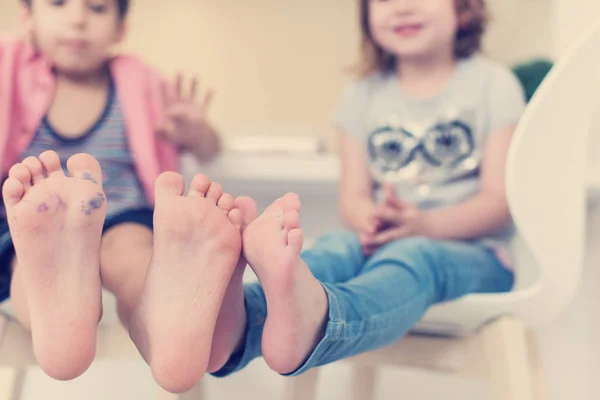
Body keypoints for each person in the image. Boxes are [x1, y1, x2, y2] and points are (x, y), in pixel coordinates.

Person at [207, 0, 525, 379]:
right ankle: (233, 322)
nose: (402, 8)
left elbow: (498, 203)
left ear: (465, 9)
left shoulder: (493, 84)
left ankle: (325, 318)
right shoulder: (360, 97)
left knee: (414, 254)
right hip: (385, 240)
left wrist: (424, 225)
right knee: (335, 249)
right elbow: (353, 200)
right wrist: (374, 219)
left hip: (479, 254)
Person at [0, 0, 237, 393]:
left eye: (97, 9)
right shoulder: (9, 74)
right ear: (27, 17)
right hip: (39, 221)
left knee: (134, 261)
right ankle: (59, 320)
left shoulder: (143, 84)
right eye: (58, 4)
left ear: (120, 28)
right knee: (30, 265)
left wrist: (195, 133)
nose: (77, 19)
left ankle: (166, 335)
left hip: (122, 213)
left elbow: (212, 150)